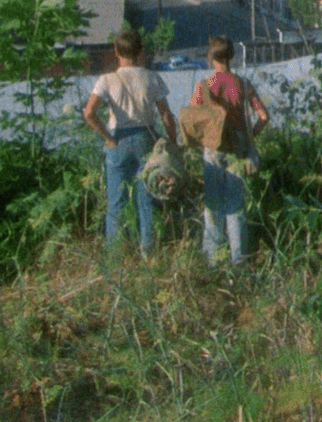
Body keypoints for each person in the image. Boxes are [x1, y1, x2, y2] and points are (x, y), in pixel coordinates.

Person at [83, 27, 178, 255]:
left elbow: (89, 113)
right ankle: (149, 252)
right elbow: (165, 115)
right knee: (148, 200)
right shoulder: (152, 77)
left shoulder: (107, 80)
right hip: (147, 139)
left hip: (119, 139)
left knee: (116, 203)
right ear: (140, 51)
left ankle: (117, 255)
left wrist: (107, 138)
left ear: (116, 51)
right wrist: (172, 142)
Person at [193, 35, 270, 266]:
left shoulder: (204, 86)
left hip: (213, 148)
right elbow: (264, 117)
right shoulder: (244, 85)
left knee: (213, 205)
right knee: (235, 206)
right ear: (232, 57)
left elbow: (193, 119)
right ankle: (239, 259)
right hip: (238, 146)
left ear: (211, 57)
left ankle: (213, 259)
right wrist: (250, 136)